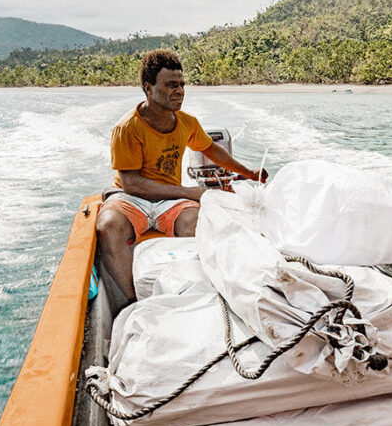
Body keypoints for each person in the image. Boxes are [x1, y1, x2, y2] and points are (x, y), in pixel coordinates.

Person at [96, 49, 267, 302]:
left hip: (169, 199)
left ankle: (195, 294)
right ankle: (135, 301)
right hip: (130, 197)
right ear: (149, 88)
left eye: (182, 85)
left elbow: (211, 149)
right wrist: (189, 192)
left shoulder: (187, 123)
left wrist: (248, 173)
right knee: (108, 226)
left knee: (199, 221)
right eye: (170, 85)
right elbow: (131, 183)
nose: (179, 91)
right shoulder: (127, 128)